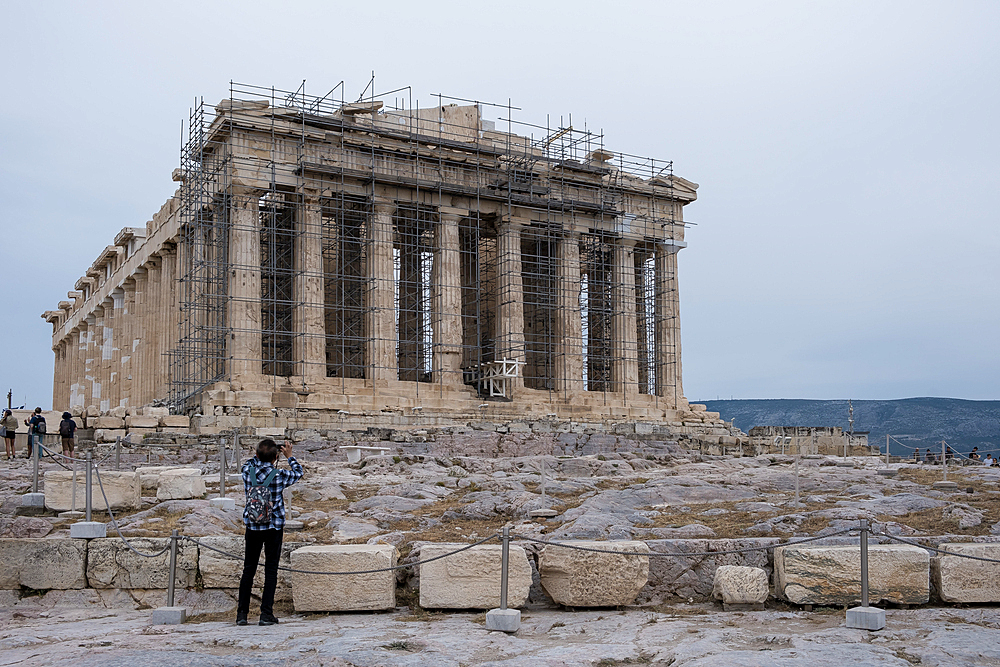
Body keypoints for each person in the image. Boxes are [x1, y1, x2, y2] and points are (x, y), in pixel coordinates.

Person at [237, 438, 303, 627]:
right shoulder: (279, 474)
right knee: (271, 570)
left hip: (253, 526)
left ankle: (241, 614)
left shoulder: (247, 472)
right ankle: (266, 614)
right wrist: (289, 456)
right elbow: (298, 473)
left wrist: (259, 451)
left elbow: (249, 462)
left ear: (256, 454)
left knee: (248, 569)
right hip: (273, 527)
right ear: (276, 457)